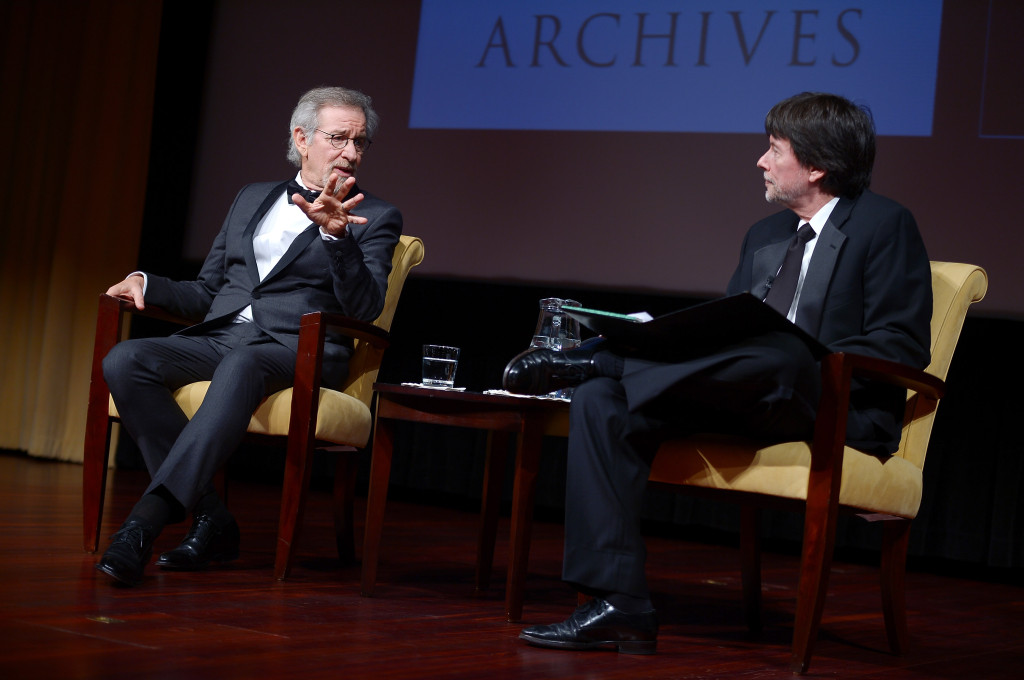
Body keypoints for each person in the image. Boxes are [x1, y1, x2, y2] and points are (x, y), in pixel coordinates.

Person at [502, 92, 932, 654]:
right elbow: (725, 340)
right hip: (742, 396)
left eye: (774, 149)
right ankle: (620, 606)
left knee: (780, 352)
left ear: (818, 164)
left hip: (831, 404)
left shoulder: (885, 223)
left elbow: (900, 344)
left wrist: (803, 352)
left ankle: (598, 359)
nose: (761, 161)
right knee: (601, 403)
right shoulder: (765, 235)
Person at [95, 86, 402, 586]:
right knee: (126, 360)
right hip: (223, 339)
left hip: (296, 350)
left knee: (244, 363)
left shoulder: (376, 217)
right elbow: (209, 291)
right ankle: (212, 515)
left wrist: (337, 237)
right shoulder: (251, 198)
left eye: (360, 142)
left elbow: (365, 309)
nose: (351, 152)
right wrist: (145, 281)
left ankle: (143, 524)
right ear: (302, 139)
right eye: (339, 138)